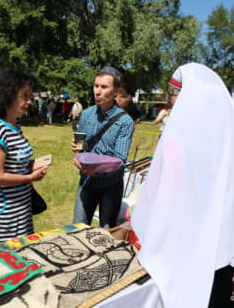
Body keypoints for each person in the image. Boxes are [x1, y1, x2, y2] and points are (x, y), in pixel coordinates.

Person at [132, 63, 234, 308]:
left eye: (176, 93)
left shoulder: (175, 142)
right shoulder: (227, 141)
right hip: (219, 256)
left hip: (177, 252)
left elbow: (161, 201)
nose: (173, 101)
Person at [0, 69, 48, 244]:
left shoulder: (15, 125)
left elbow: (15, 162)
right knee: (8, 258)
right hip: (6, 214)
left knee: (24, 252)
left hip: (22, 208)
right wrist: (29, 177)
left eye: (30, 96)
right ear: (8, 95)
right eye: (24, 96)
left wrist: (32, 165)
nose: (29, 101)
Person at [71, 66, 134, 228]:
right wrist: (78, 152)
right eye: (95, 85)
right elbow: (83, 147)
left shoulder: (125, 122)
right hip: (87, 181)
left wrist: (96, 168)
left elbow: (119, 159)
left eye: (104, 87)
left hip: (110, 186)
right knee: (77, 229)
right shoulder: (87, 114)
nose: (97, 91)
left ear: (116, 92)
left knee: (106, 235)